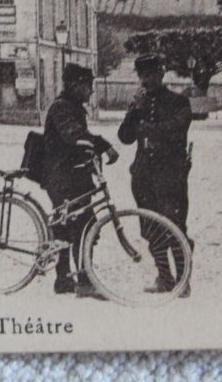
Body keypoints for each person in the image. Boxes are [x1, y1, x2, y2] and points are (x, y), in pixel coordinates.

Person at [118, 53, 194, 295]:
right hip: (143, 174)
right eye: (142, 76)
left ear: (161, 74)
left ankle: (183, 281)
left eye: (151, 75)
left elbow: (175, 129)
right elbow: (125, 137)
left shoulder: (178, 102)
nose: (146, 80)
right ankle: (164, 277)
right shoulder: (139, 104)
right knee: (150, 228)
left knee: (175, 225)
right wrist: (134, 112)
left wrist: (147, 128)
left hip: (170, 173)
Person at [43, 62, 118, 296]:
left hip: (73, 173)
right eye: (88, 85)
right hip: (63, 176)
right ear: (76, 85)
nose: (91, 91)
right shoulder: (61, 108)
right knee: (80, 226)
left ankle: (66, 280)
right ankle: (80, 281)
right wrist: (102, 145)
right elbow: (72, 134)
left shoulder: (70, 106)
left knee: (74, 226)